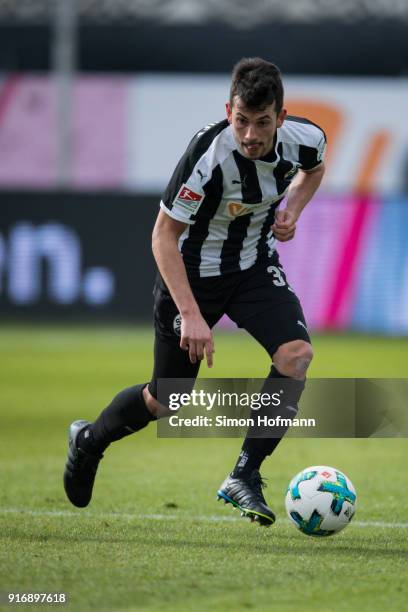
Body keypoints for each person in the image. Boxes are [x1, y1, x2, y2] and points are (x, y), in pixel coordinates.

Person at [63, 57, 326, 526]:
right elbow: (163, 236)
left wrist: (294, 210)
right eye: (241, 120)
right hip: (191, 276)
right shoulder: (207, 156)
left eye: (262, 123)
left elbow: (315, 169)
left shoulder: (306, 139)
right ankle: (89, 442)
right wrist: (192, 314)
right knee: (168, 400)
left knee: (296, 355)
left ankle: (244, 474)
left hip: (253, 267)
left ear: (281, 118)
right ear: (230, 110)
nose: (250, 134)